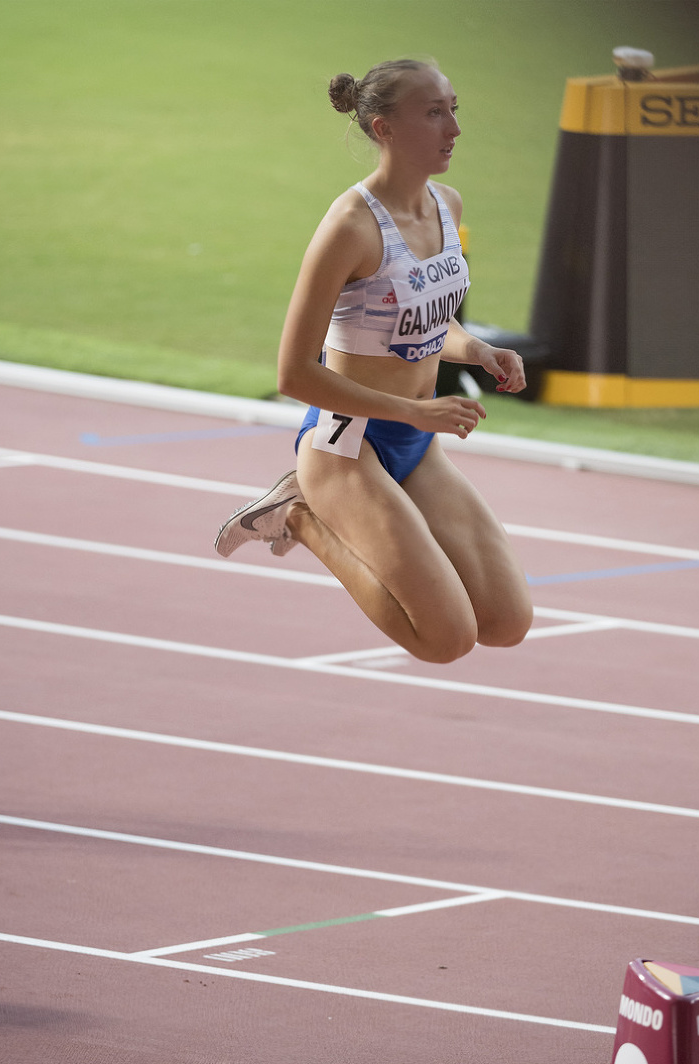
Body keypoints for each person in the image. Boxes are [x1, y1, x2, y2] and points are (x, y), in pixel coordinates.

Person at [215, 58, 533, 664]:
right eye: (434, 113)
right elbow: (293, 374)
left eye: (454, 109)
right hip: (346, 448)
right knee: (446, 640)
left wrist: (478, 349)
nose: (454, 129)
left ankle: (319, 502)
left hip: (416, 439)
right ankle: (301, 515)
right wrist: (413, 413)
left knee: (506, 622)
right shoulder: (349, 227)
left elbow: (426, 319)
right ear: (384, 129)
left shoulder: (447, 206)